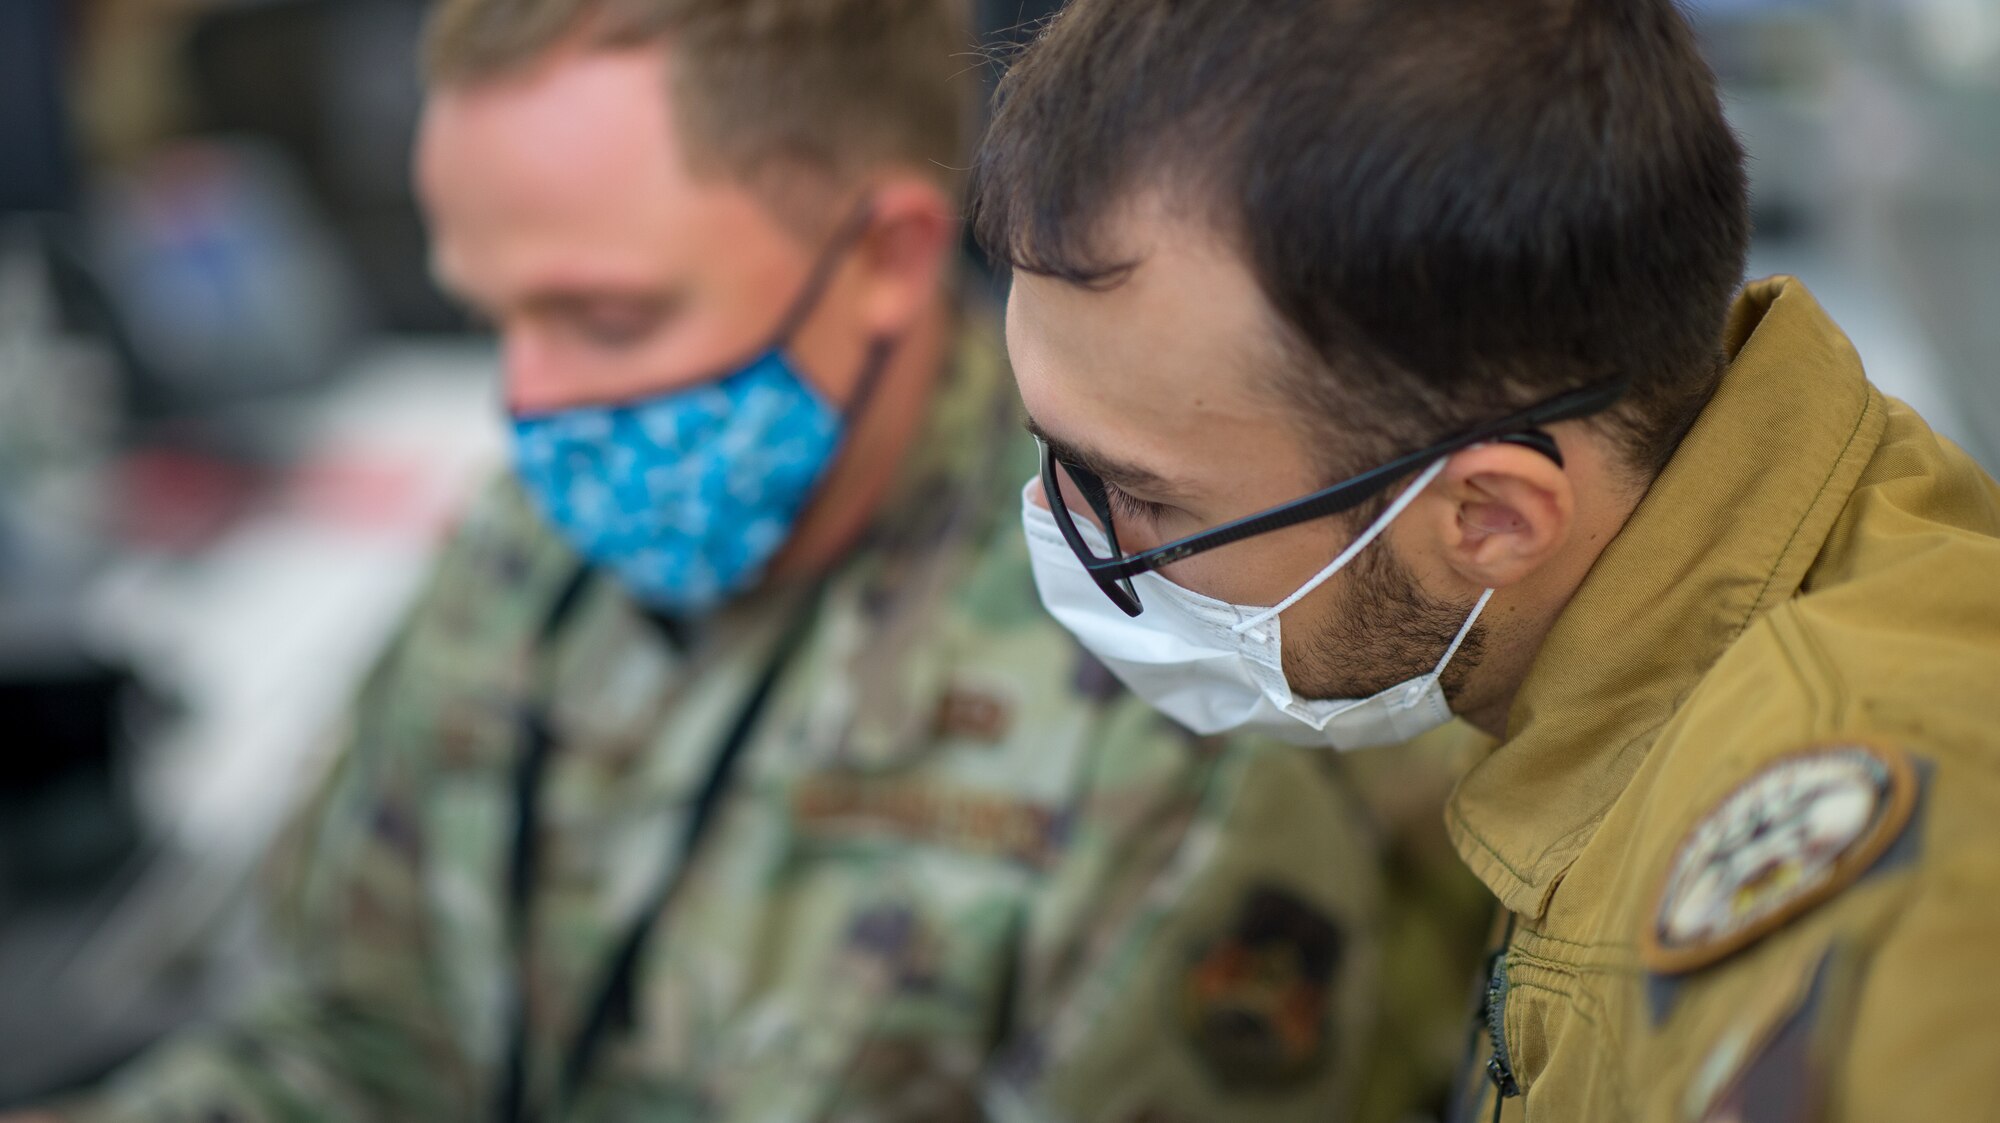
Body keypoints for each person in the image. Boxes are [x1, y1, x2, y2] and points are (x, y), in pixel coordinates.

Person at [5, 2, 1493, 1121]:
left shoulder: (1180, 674)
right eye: (498, 313)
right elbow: (352, 1036)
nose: (532, 399)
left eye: (607, 317)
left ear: (890, 258)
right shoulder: (537, 550)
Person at [969, 0, 2000, 1120]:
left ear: (1492, 520)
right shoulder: (1597, 654)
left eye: (1139, 495)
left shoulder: (1873, 917)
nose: (1062, 531)